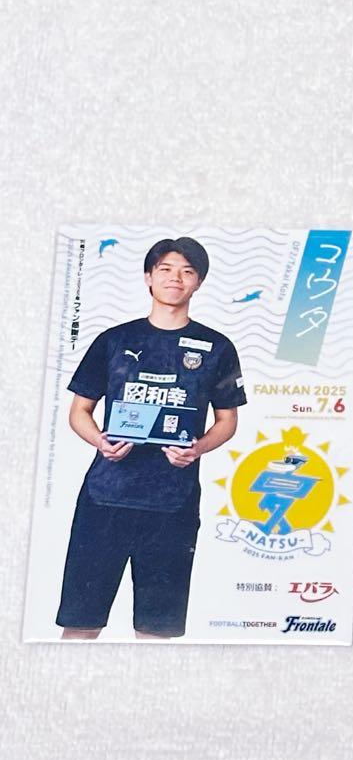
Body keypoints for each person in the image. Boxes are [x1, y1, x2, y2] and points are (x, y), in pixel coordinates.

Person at [56, 237, 246, 640]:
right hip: (104, 498)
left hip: (172, 503)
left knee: (156, 634)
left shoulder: (217, 347)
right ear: (148, 277)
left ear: (198, 282)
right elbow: (79, 412)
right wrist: (101, 441)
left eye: (187, 272)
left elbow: (227, 420)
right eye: (166, 269)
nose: (176, 278)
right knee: (80, 627)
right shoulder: (114, 340)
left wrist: (197, 448)